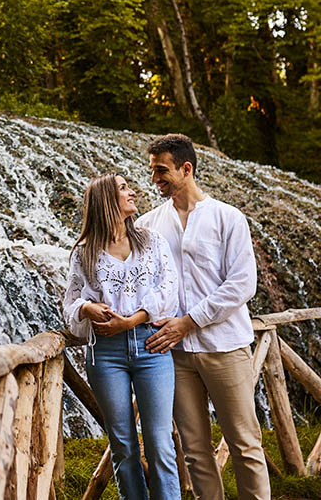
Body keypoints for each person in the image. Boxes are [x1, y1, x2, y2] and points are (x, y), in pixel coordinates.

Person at [137, 133, 270, 500]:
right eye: (152, 171)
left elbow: (243, 284)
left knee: (245, 443)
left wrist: (189, 321)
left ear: (186, 168)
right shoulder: (147, 225)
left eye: (162, 171)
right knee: (195, 452)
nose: (155, 179)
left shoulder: (228, 218)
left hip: (224, 346)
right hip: (172, 355)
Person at [64, 173, 180, 500]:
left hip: (151, 346)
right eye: (123, 189)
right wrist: (87, 309)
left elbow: (168, 291)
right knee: (124, 445)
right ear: (106, 201)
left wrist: (130, 322)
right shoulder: (84, 252)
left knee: (160, 443)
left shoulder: (151, 241)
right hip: (105, 354)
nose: (132, 192)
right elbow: (70, 302)